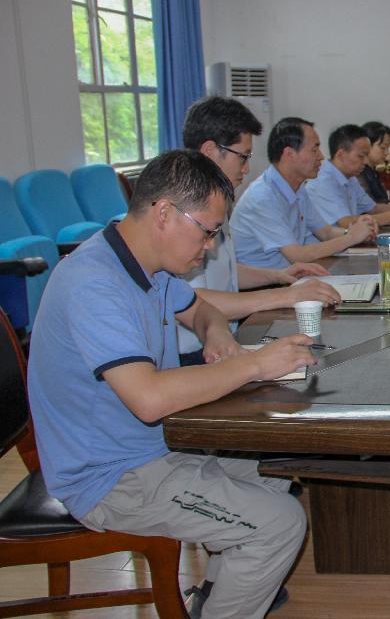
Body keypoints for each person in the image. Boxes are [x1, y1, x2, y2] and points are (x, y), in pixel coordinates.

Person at [27, 150, 315, 618]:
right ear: (164, 213)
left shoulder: (147, 265)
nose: (211, 247)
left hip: (152, 446)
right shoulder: (93, 283)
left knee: (271, 464)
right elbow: (148, 398)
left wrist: (216, 332)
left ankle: (216, 595)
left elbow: (200, 309)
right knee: (280, 524)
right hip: (108, 476)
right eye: (207, 231)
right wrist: (255, 365)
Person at [177, 96, 341, 365]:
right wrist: (285, 295)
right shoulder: (184, 209)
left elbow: (224, 271)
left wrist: (279, 275)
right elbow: (191, 299)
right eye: (242, 157)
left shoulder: (216, 198)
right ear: (209, 151)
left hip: (227, 336)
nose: (246, 168)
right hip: (192, 353)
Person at [231, 117, 375, 269]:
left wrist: (358, 231)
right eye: (314, 149)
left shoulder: (297, 188)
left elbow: (325, 232)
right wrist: (351, 237)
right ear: (289, 154)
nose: (321, 156)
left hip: (290, 275)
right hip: (267, 281)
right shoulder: (262, 196)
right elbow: (297, 255)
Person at [306, 124, 390, 229]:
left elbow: (373, 208)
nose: (365, 161)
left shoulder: (350, 177)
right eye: (361, 156)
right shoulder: (322, 182)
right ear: (341, 154)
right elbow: (346, 223)